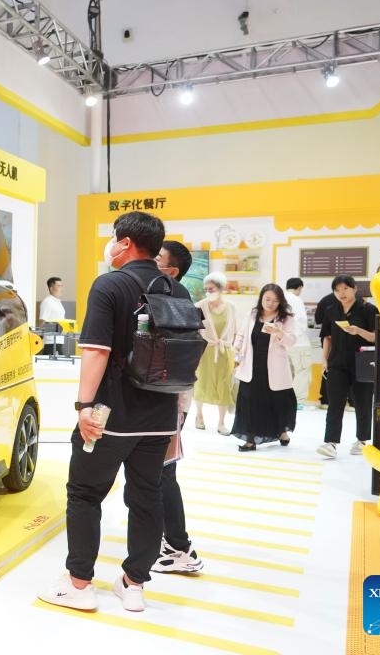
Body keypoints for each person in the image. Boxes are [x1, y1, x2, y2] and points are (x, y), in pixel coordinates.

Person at [38, 211, 184, 613]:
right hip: (160, 416)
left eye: (115, 238)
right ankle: (134, 584)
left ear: (126, 243)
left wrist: (83, 406)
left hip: (110, 414)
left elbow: (97, 351)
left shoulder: (110, 285)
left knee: (85, 494)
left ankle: (79, 583)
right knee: (147, 497)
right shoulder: (175, 290)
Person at [151, 240, 203, 573]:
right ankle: (166, 540)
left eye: (156, 258)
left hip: (170, 403)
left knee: (163, 473)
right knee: (158, 474)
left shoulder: (175, 303)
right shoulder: (175, 300)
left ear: (171, 271)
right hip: (170, 400)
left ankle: (179, 547)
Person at [231, 284, 298, 451]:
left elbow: (291, 341)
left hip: (274, 368)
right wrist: (236, 352)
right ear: (261, 298)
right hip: (251, 366)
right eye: (267, 299)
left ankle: (281, 431)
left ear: (280, 302)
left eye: (275, 300)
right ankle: (250, 439)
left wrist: (278, 332)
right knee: (249, 402)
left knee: (276, 402)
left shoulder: (286, 318)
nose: (270, 303)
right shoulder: (252, 314)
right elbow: (241, 335)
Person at [317, 275, 378, 458]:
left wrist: (358, 331)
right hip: (337, 363)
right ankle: (331, 443)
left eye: (345, 288)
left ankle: (362, 440)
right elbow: (327, 337)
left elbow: (376, 337)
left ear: (354, 288)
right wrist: (324, 360)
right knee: (335, 404)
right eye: (337, 290)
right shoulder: (331, 310)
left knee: (363, 403)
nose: (341, 293)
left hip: (363, 363)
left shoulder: (368, 309)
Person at [193, 272, 238, 434]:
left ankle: (221, 423)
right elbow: (194, 330)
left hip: (224, 351)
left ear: (220, 288)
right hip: (204, 351)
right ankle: (199, 416)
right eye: (206, 289)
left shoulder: (231, 307)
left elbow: (235, 331)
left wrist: (236, 352)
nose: (208, 292)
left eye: (211, 289)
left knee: (224, 385)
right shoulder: (199, 306)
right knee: (201, 383)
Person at [284, 278, 312, 408]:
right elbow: (301, 321)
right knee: (302, 370)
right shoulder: (297, 299)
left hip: (284, 343)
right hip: (299, 343)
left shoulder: (281, 298)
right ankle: (297, 400)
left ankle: (286, 399)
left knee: (288, 372)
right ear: (300, 287)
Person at [39, 277, 66, 355]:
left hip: (59, 340)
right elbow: (42, 321)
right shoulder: (47, 302)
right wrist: (41, 339)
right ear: (51, 288)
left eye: (62, 286)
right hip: (50, 342)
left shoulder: (58, 302)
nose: (61, 289)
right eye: (59, 286)